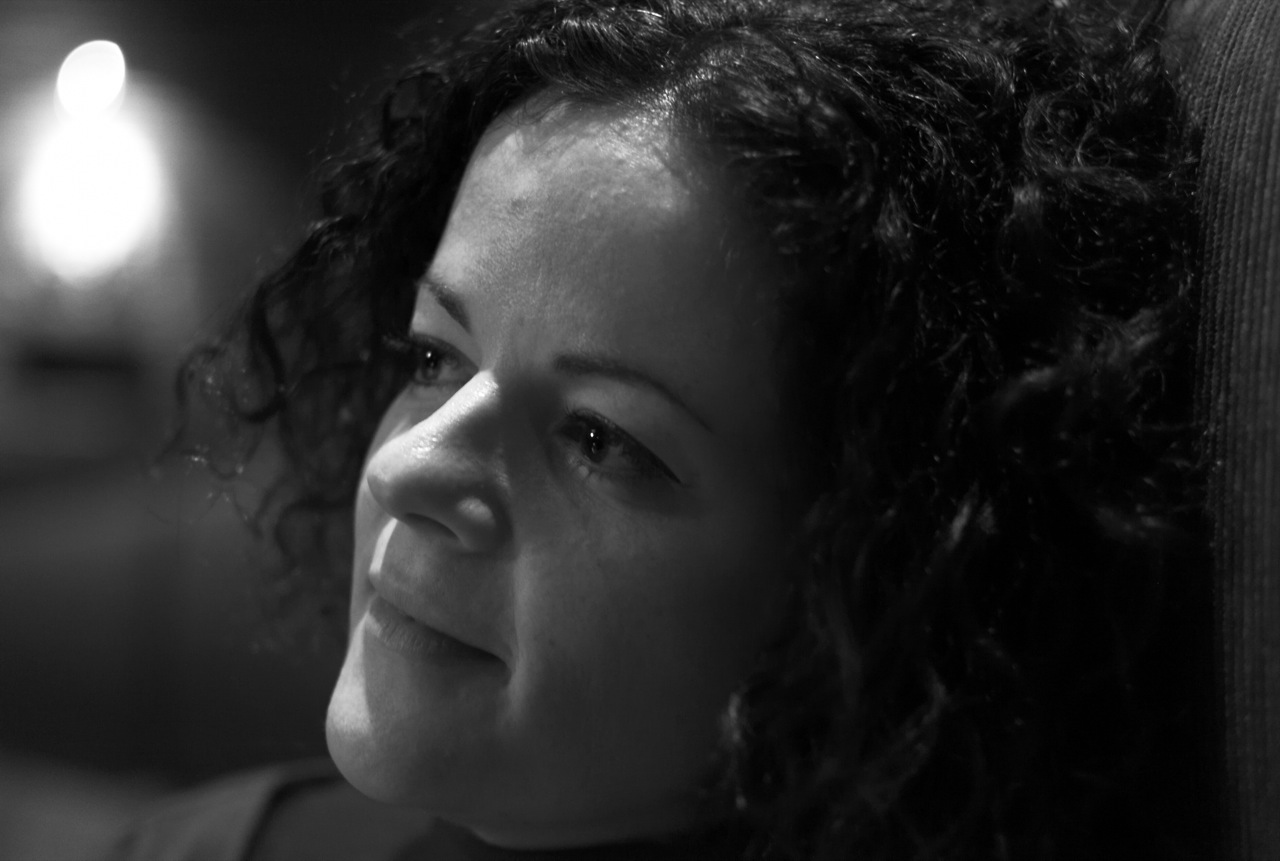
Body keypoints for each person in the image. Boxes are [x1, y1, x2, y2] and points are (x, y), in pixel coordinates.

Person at [114, 0, 1208, 858]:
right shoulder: (207, 844)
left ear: (865, 580)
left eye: (600, 439)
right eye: (434, 357)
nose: (406, 465)